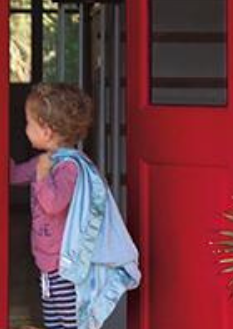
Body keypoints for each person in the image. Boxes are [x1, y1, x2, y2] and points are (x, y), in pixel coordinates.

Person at [11, 83, 140, 329]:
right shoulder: (44, 162)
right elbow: (15, 175)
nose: (25, 128)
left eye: (28, 123)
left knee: (72, 324)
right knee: (54, 323)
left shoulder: (69, 167)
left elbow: (53, 204)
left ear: (46, 131)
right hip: (47, 268)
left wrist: (42, 176)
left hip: (66, 271)